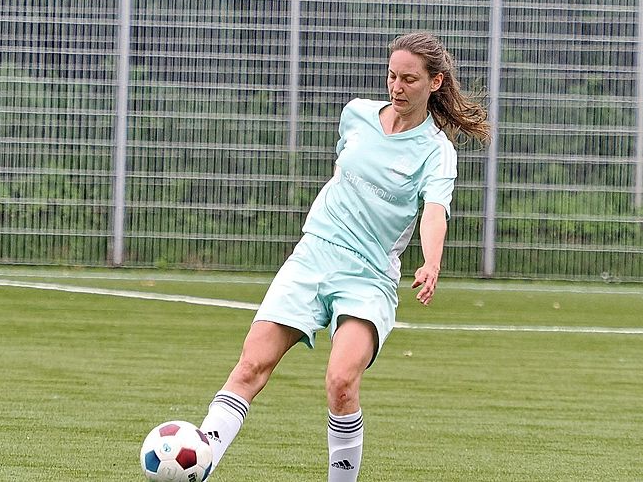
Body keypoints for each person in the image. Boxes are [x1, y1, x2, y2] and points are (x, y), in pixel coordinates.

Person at [198, 32, 490, 481]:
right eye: (392, 75)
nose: (397, 87)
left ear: (434, 83)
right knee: (251, 365)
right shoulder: (356, 114)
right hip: (314, 254)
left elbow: (435, 213)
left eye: (409, 79)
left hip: (368, 276)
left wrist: (431, 263)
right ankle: (197, 465)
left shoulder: (437, 152)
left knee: (340, 382)